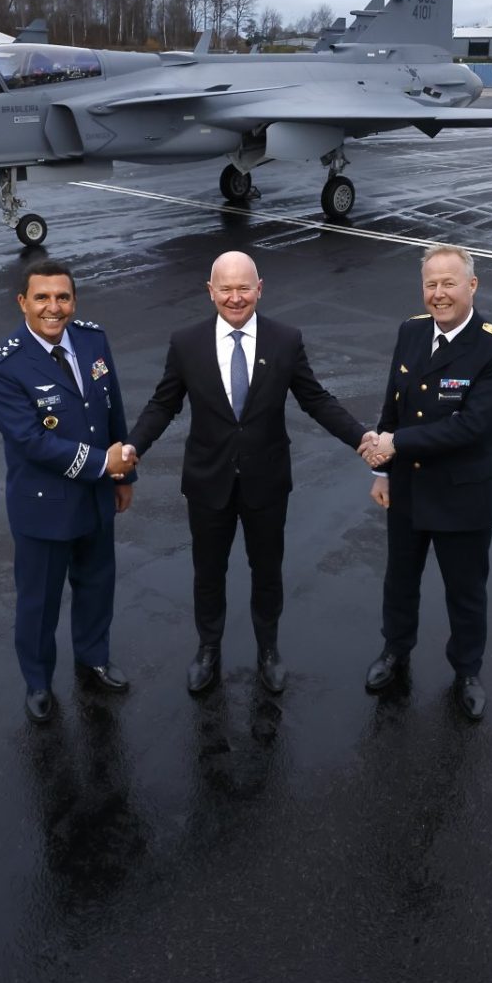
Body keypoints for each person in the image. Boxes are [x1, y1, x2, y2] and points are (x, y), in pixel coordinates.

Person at [125, 251, 372, 696]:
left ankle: (268, 650)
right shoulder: (186, 343)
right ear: (210, 291)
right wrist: (133, 445)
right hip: (208, 481)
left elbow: (315, 399)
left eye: (244, 288)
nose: (235, 298)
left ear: (260, 288)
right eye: (226, 288)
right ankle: (208, 649)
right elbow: (164, 403)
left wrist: (360, 438)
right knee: (208, 571)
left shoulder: (285, 339)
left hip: (266, 481)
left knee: (267, 570)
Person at [359, 245, 492, 721]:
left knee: (465, 590)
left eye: (449, 283)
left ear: (472, 286)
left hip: (462, 493)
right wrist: (380, 470)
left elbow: (472, 427)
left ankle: (467, 671)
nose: (439, 293)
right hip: (407, 487)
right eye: (431, 284)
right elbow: (394, 403)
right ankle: (395, 651)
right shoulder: (410, 331)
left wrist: (396, 446)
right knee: (400, 580)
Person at [0, 259, 136, 723]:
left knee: (97, 585)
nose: (54, 307)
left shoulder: (92, 338)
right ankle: (38, 682)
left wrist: (123, 476)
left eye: (62, 297)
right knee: (39, 602)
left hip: (95, 497)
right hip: (43, 507)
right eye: (42, 297)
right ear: (22, 302)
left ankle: (93, 658)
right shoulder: (1, 365)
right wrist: (100, 464)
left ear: (74, 301)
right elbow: (30, 440)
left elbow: (112, 411)